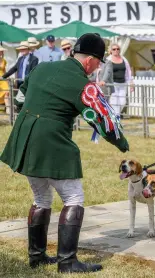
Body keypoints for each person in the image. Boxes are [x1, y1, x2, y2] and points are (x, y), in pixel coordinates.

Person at [0, 33, 129, 273]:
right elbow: (103, 121)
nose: (97, 67)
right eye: (98, 63)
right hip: (52, 142)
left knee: (41, 199)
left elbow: (20, 96)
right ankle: (67, 261)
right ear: (90, 60)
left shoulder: (42, 67)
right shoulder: (83, 84)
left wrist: (25, 108)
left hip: (24, 140)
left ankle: (36, 256)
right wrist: (122, 144)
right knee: (73, 198)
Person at [106, 43, 133, 117]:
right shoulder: (108, 60)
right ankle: (117, 118)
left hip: (122, 84)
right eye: (114, 49)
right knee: (114, 101)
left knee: (122, 102)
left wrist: (131, 82)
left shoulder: (124, 59)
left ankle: (114, 115)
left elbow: (128, 71)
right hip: (113, 84)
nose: (116, 50)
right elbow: (105, 72)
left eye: (118, 49)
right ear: (110, 51)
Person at [0, 45, 10, 113]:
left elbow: (4, 71)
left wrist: (7, 78)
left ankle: (8, 109)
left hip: (3, 78)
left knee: (7, 92)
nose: (1, 52)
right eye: (0, 51)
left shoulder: (4, 60)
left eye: (2, 51)